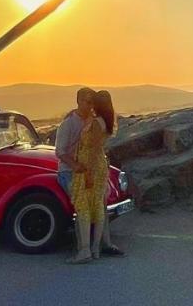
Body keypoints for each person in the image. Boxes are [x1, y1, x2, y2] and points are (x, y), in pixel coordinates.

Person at [69, 94, 111, 263]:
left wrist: (88, 173)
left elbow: (93, 149)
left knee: (84, 206)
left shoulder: (95, 123)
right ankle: (95, 248)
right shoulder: (104, 121)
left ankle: (85, 250)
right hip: (99, 165)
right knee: (98, 205)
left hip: (89, 166)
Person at [55, 87, 96, 260]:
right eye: (86, 101)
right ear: (78, 101)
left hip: (87, 171)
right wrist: (75, 165)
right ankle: (82, 249)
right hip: (69, 172)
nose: (89, 105)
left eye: (91, 102)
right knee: (82, 207)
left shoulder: (91, 121)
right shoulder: (68, 124)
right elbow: (60, 151)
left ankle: (98, 245)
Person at [93, 90, 124, 257]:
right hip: (102, 162)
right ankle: (106, 242)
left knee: (97, 206)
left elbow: (93, 146)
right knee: (102, 206)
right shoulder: (108, 121)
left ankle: (95, 247)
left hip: (95, 163)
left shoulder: (97, 122)